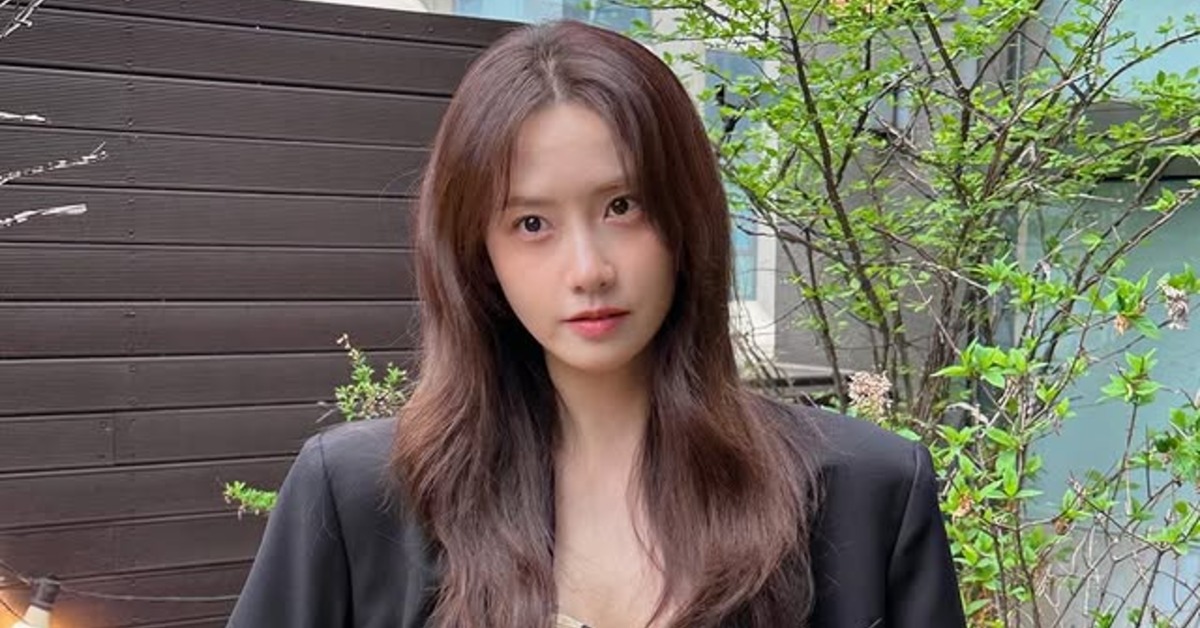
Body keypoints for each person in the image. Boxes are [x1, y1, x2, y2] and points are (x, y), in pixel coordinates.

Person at [227, 19, 965, 628]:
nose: (588, 269)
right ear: (478, 255)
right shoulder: (359, 499)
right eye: (532, 223)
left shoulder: (863, 495)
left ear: (687, 220)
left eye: (622, 206)